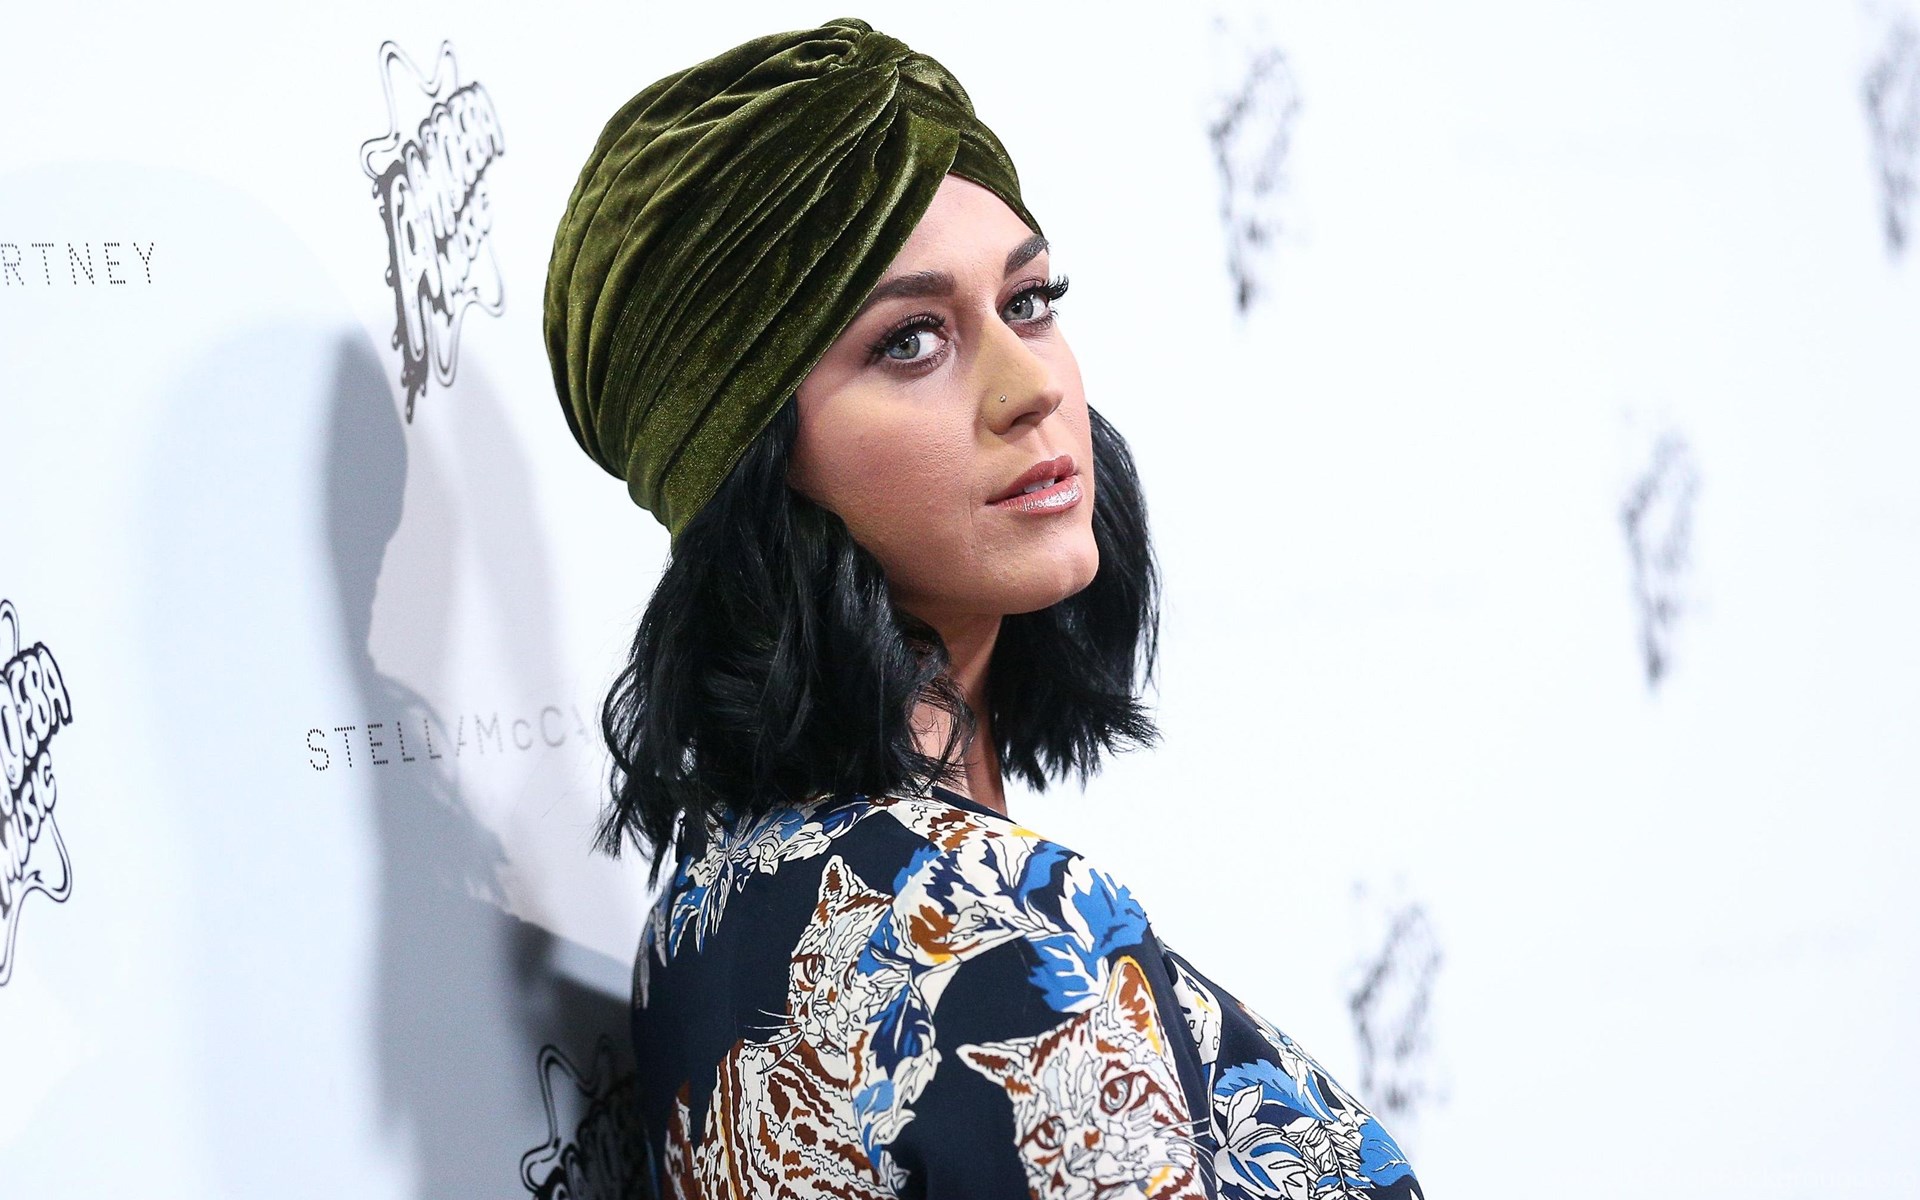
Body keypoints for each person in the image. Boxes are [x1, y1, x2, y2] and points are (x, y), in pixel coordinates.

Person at [544, 17, 1424, 1198]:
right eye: (911, 341)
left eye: (1030, 300)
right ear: (748, 457)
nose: (1030, 387)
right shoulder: (988, 930)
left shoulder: (708, 908)